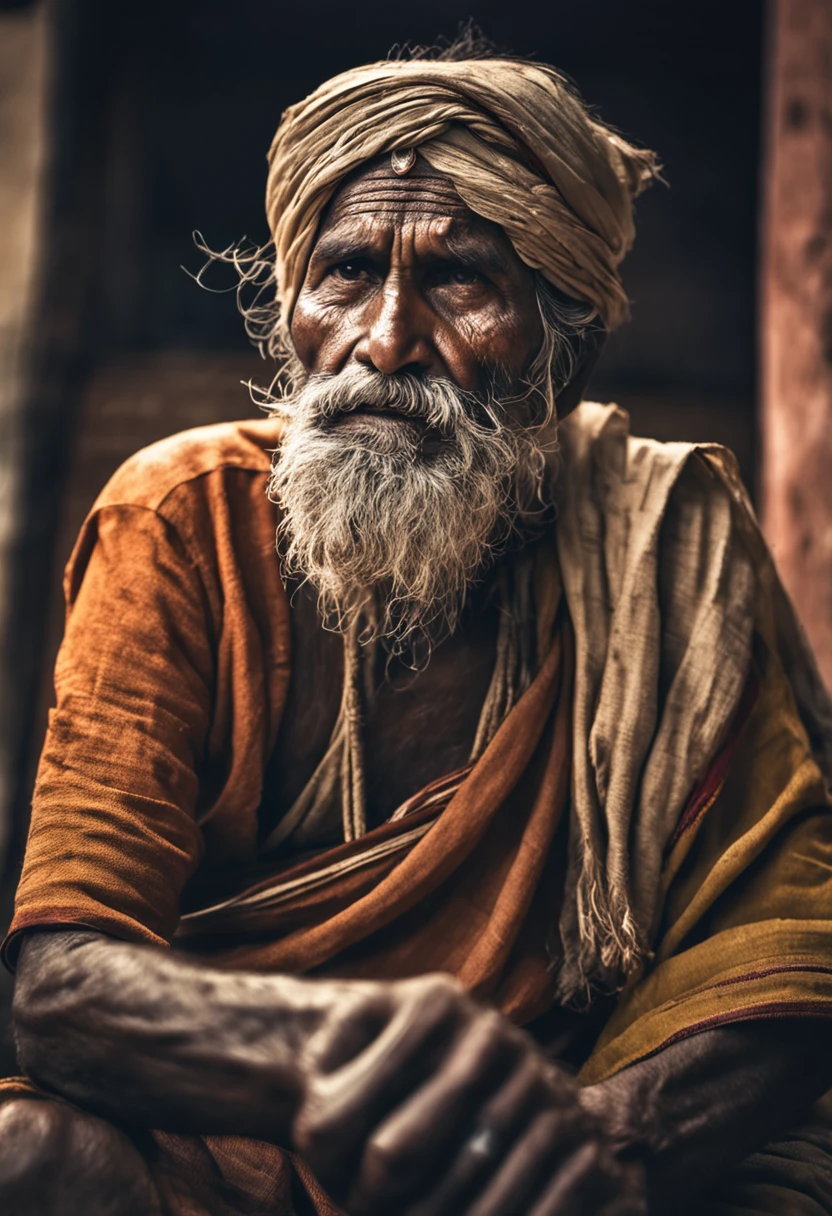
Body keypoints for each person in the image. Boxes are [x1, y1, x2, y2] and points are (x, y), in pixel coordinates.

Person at [2, 32, 832, 1216]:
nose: (384, 340)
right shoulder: (182, 517)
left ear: (566, 342)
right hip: (225, 1151)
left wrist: (580, 1151)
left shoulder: (675, 547)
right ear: (292, 305)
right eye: (345, 272)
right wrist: (353, 1053)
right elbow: (64, 987)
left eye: (458, 280)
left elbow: (787, 962)